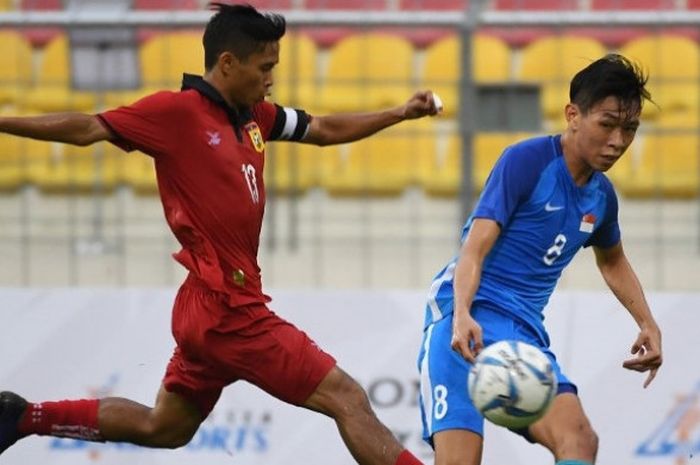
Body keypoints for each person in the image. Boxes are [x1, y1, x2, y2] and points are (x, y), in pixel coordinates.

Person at [0, 4, 441, 464]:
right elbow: (88, 127)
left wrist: (399, 113)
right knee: (345, 396)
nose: (270, 78)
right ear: (228, 63)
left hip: (204, 307)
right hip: (229, 310)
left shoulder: (254, 117)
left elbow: (324, 129)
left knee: (165, 427)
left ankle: (23, 417)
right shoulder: (176, 113)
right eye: (264, 67)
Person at [417, 53, 663, 465]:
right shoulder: (527, 161)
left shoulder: (602, 197)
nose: (618, 141)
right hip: (463, 323)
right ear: (572, 115)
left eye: (630, 129)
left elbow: (612, 260)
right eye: (607, 125)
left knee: (580, 441)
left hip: (522, 335)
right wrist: (460, 312)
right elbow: (474, 248)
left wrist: (647, 322)